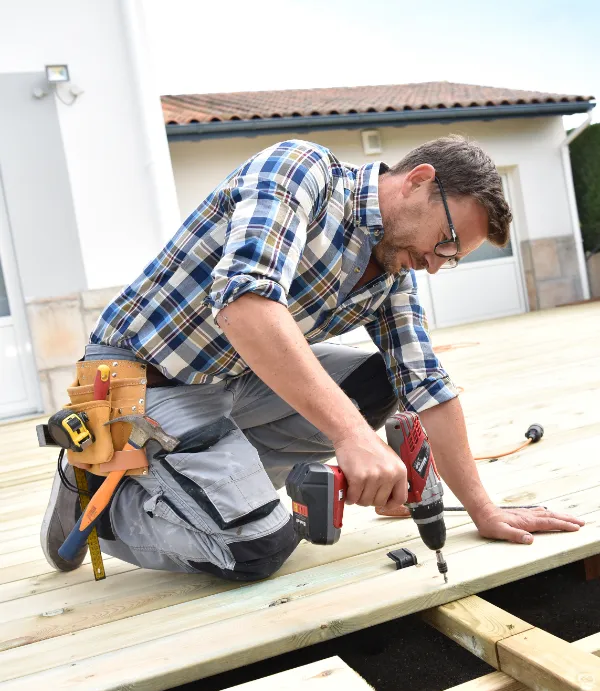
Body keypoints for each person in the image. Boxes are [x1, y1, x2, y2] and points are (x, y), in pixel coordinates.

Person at [40, 135, 584, 581]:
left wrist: (484, 510)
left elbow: (427, 384)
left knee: (381, 384)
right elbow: (245, 307)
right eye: (445, 241)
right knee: (258, 547)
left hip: (232, 379)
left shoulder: (391, 272)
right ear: (418, 180)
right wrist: (355, 439)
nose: (438, 265)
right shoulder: (303, 171)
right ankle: (97, 496)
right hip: (146, 378)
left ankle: (216, 479)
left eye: (454, 258)